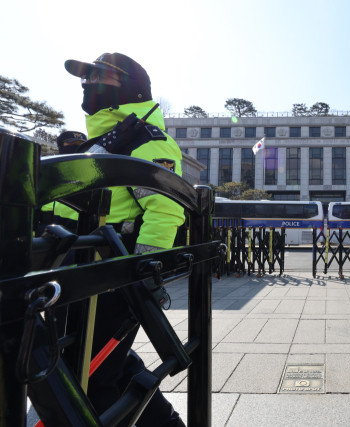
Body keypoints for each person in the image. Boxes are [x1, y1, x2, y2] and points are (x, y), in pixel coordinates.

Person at [64, 52, 185, 427]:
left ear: (130, 87)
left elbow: (165, 212)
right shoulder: (98, 142)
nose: (88, 83)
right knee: (102, 369)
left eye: (101, 77)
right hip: (76, 277)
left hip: (111, 279)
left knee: (92, 381)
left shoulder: (146, 140)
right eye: (85, 77)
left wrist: (141, 276)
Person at [37, 131, 87, 236]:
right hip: (44, 229)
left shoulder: (90, 171)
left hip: (77, 232)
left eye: (81, 145)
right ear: (60, 147)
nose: (77, 147)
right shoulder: (46, 169)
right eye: (72, 144)